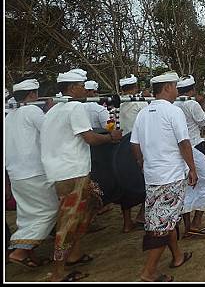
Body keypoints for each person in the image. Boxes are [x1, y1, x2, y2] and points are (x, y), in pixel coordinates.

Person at [40, 68, 123, 282]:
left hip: (63, 171)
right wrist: (111, 138)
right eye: (82, 86)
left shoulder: (54, 110)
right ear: (72, 88)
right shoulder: (75, 107)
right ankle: (58, 273)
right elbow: (89, 138)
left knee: (89, 207)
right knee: (68, 221)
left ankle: (74, 255)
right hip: (72, 172)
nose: (86, 90)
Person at [130, 72, 196, 282]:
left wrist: (142, 163)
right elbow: (184, 143)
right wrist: (192, 169)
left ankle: (177, 256)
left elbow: (134, 144)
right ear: (167, 87)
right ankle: (148, 272)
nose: (177, 91)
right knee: (163, 224)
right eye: (175, 86)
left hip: (152, 176)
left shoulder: (143, 113)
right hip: (171, 175)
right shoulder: (173, 111)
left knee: (164, 219)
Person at [6, 78, 58, 268]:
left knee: (28, 214)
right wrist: (51, 110)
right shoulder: (32, 110)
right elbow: (50, 132)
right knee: (49, 210)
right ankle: (20, 251)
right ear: (32, 95)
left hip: (16, 173)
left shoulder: (10, 115)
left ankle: (27, 252)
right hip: (34, 172)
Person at [174, 75, 205, 239]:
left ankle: (188, 225)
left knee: (189, 186)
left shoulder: (173, 104)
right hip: (193, 147)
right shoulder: (191, 104)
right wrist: (202, 104)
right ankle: (196, 223)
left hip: (179, 150)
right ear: (192, 89)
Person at [117, 74, 147, 233]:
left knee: (126, 185)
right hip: (138, 147)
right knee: (147, 181)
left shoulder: (119, 103)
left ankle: (127, 222)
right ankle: (142, 215)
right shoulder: (138, 103)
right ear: (135, 87)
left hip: (121, 148)